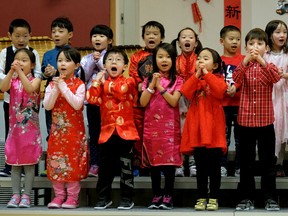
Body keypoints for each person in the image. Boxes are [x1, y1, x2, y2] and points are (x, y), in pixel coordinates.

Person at [86, 48, 139, 210]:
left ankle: (127, 198)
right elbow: (91, 99)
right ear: (104, 65)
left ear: (124, 66)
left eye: (118, 60)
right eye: (109, 60)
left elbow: (119, 92)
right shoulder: (100, 82)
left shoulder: (129, 82)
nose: (113, 62)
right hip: (107, 132)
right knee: (105, 169)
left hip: (126, 132)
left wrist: (103, 82)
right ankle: (103, 197)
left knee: (126, 168)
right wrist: (96, 82)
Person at [233, 28, 280, 211]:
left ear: (266, 47)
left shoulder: (268, 65)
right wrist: (245, 61)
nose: (255, 47)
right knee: (246, 163)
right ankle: (246, 197)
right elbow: (235, 79)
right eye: (251, 44)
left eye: (259, 44)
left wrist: (261, 61)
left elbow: (275, 78)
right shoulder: (242, 65)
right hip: (245, 121)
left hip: (265, 122)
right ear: (246, 47)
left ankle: (270, 198)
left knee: (268, 163)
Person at [180, 47, 227, 211]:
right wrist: (197, 75)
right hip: (198, 129)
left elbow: (221, 91)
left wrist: (206, 74)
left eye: (205, 58)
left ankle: (214, 197)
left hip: (213, 130)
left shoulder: (218, 78)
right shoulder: (194, 79)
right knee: (200, 168)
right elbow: (185, 91)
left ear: (214, 65)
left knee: (214, 168)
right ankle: (201, 197)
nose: (201, 61)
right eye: (199, 58)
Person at [43, 48, 88, 209]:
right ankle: (59, 196)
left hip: (74, 132)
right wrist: (56, 87)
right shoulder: (52, 84)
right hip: (57, 133)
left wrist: (63, 87)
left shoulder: (80, 84)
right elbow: (47, 106)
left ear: (76, 65)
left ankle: (72, 198)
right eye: (60, 60)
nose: (62, 63)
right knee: (57, 162)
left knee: (73, 164)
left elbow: (77, 104)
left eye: (67, 60)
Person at [140, 43, 183, 210]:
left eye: (168, 57)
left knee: (169, 164)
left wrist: (159, 86)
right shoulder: (147, 80)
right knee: (155, 165)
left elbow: (173, 101)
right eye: (160, 57)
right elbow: (143, 102)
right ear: (154, 59)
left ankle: (168, 196)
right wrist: (151, 85)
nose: (164, 60)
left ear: (173, 60)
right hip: (152, 128)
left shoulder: (178, 80)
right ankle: (156, 195)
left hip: (170, 129)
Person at [0, 48, 42, 208]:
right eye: (17, 59)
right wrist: (11, 72)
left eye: (24, 60)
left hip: (30, 131)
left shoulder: (36, 79)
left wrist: (19, 72)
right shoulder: (13, 80)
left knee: (29, 164)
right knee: (15, 165)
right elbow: (3, 88)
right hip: (15, 131)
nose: (20, 62)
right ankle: (15, 194)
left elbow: (30, 89)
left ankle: (26, 196)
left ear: (32, 64)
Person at [0, 18, 42, 177]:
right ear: (9, 35)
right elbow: (0, 74)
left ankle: (29, 166)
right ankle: (9, 165)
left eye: (25, 36)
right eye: (17, 36)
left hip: (29, 104)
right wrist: (12, 74)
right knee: (11, 133)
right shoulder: (5, 52)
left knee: (30, 135)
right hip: (10, 101)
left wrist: (24, 76)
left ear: (30, 36)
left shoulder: (34, 53)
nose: (21, 40)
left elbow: (37, 73)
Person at [129, 21, 165, 176]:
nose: (151, 36)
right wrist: (140, 85)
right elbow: (133, 77)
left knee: (159, 134)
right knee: (139, 134)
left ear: (162, 37)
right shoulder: (137, 56)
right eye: (148, 34)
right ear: (143, 37)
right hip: (139, 103)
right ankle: (140, 164)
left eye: (155, 34)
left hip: (160, 103)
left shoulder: (164, 55)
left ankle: (160, 165)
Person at [41, 17, 73, 177]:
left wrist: (58, 73)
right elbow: (42, 73)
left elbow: (75, 74)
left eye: (61, 31)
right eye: (54, 31)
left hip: (68, 100)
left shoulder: (73, 54)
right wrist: (46, 73)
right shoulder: (47, 54)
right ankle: (52, 164)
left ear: (70, 35)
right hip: (52, 99)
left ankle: (69, 163)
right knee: (52, 132)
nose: (56, 34)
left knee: (68, 132)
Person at [80, 24, 113, 177]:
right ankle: (94, 163)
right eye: (94, 36)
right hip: (92, 102)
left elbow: (110, 75)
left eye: (101, 36)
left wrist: (100, 62)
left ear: (110, 40)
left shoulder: (112, 57)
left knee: (108, 133)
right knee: (94, 133)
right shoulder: (86, 58)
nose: (97, 39)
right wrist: (93, 61)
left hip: (108, 102)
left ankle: (107, 163)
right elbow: (84, 77)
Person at [171, 27, 202, 177]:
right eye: (183, 37)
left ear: (196, 42)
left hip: (197, 98)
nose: (187, 40)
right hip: (179, 98)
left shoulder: (201, 60)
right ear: (178, 42)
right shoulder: (174, 61)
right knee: (179, 130)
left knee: (196, 130)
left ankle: (194, 163)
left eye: (191, 37)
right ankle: (179, 163)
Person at [219, 25, 245, 177]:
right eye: (231, 39)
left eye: (238, 39)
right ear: (222, 41)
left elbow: (246, 77)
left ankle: (239, 167)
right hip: (222, 105)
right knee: (223, 137)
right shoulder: (218, 59)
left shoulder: (243, 59)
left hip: (241, 105)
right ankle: (221, 165)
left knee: (241, 139)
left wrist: (236, 87)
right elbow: (215, 78)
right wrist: (224, 88)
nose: (235, 42)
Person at [264, 20, 288, 177]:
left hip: (285, 94)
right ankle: (270, 162)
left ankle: (280, 163)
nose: (282, 35)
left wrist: (283, 75)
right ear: (270, 35)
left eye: (285, 32)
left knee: (283, 126)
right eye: (278, 32)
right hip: (269, 95)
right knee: (272, 128)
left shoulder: (287, 55)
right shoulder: (264, 55)